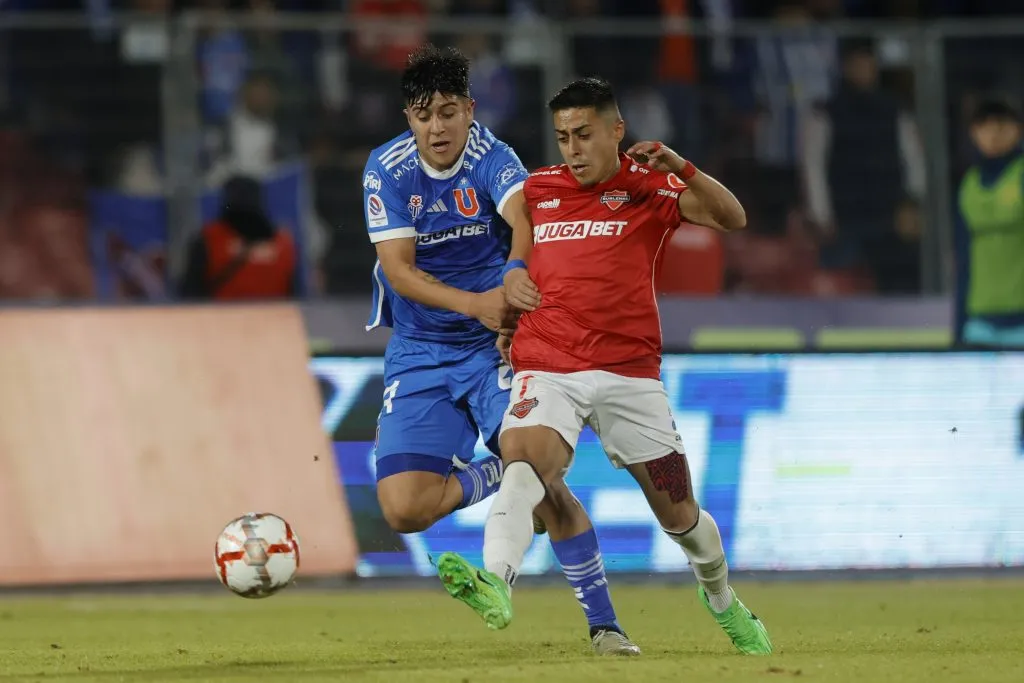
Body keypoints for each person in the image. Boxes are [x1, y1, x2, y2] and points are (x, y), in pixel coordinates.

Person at [435, 77, 773, 656]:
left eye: (584, 134)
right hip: (549, 366)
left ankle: (722, 599)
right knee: (523, 463)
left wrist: (682, 167)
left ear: (616, 131)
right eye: (563, 136)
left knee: (682, 518)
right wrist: (510, 300)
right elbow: (516, 259)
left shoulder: (649, 187)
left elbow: (731, 217)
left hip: (629, 375)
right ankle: (497, 580)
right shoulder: (537, 191)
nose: (572, 148)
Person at [363, 46, 639, 655]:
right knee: (403, 510)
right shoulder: (387, 169)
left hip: (498, 347)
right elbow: (400, 272)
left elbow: (525, 220)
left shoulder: (493, 155)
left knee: (543, 479)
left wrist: (512, 281)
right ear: (408, 118)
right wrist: (476, 303)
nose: (436, 128)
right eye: (421, 115)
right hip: (421, 348)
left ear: (469, 109)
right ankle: (489, 471)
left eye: (447, 113)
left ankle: (605, 625)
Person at [954, 96, 1024, 348]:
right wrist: (958, 329)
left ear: (1017, 130)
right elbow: (963, 261)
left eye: (1002, 125)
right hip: (980, 322)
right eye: (985, 126)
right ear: (974, 133)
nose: (993, 133)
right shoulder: (968, 186)